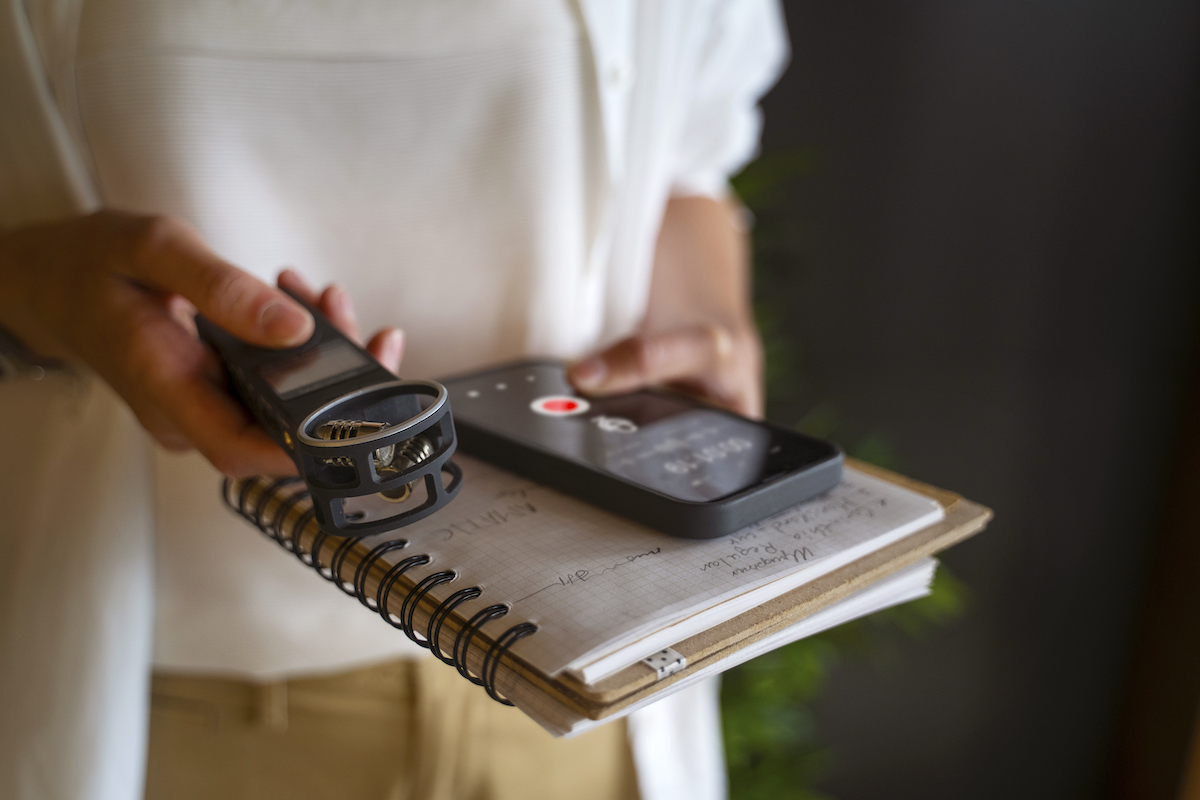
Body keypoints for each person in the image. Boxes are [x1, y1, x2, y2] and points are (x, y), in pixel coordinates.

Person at [0, 1, 787, 798]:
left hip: (578, 677)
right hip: (188, 698)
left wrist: (706, 314)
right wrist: (40, 289)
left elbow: (691, 150)